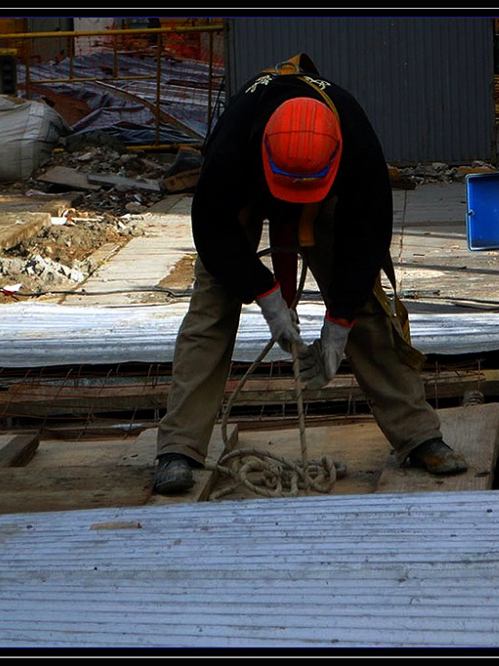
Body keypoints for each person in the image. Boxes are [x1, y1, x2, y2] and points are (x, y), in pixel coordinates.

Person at [153, 54, 468, 494]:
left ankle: (419, 435)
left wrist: (338, 325)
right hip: (246, 193)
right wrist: (266, 295)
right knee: (211, 310)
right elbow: (213, 232)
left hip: (328, 197)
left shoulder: (358, 146)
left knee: (368, 313)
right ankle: (178, 449)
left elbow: (365, 243)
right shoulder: (232, 147)